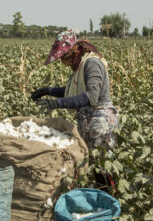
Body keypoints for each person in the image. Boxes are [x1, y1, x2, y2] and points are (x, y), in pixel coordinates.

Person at [31, 29, 119, 157]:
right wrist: (48, 91)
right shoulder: (80, 66)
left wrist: (57, 103)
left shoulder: (92, 64)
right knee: (91, 164)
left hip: (100, 121)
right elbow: (72, 92)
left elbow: (91, 97)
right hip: (89, 120)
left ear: (73, 52)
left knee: (102, 168)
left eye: (64, 58)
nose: (64, 63)